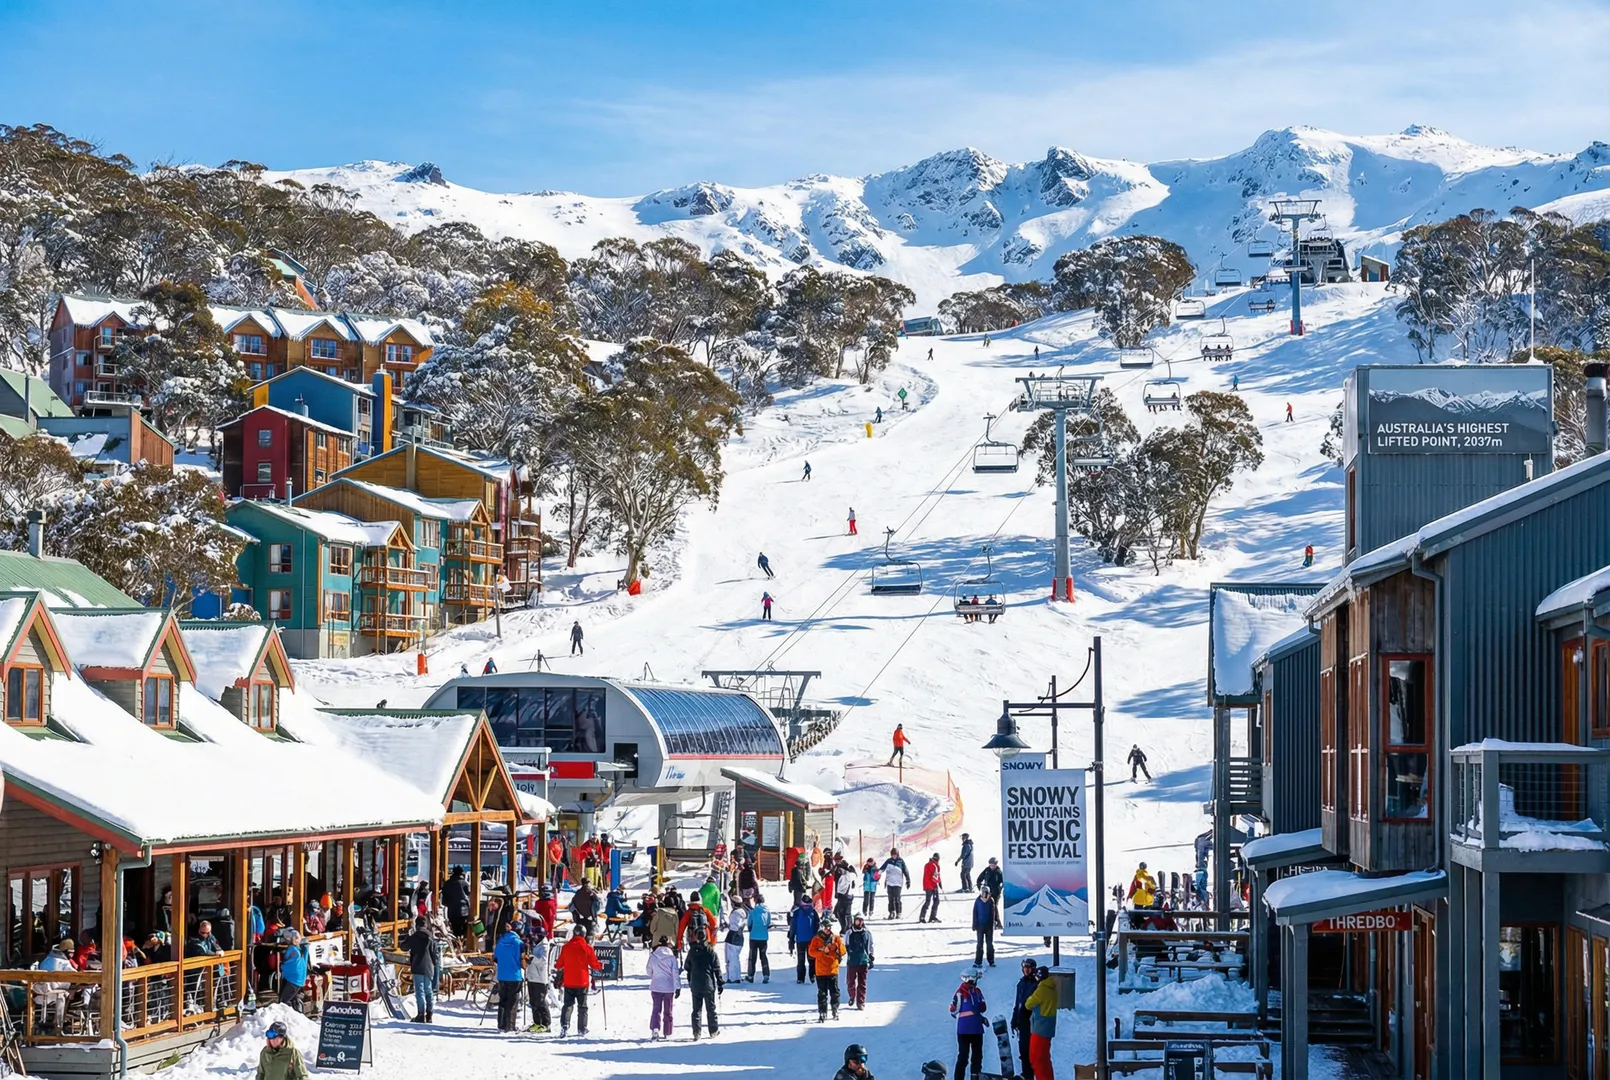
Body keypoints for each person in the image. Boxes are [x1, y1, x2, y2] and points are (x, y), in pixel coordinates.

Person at [554, 927, 602, 1037]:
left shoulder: (566, 947)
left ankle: (564, 1025)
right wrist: (600, 966)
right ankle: (582, 1028)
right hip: (582, 982)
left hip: (569, 981)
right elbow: (594, 964)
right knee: (582, 1006)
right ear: (584, 934)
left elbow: (559, 964)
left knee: (568, 1005)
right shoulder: (587, 948)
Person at [683, 929, 724, 1040]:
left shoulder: (692, 951)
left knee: (696, 1009)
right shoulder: (711, 951)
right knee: (711, 1008)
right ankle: (713, 1030)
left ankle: (696, 1032)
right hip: (708, 984)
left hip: (695, 984)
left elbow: (687, 966)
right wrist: (720, 982)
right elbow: (717, 968)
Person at [950, 968, 988, 1080]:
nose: (977, 981)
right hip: (965, 1030)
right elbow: (953, 1010)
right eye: (976, 979)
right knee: (964, 1056)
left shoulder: (977, 991)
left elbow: (983, 1007)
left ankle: (975, 1077)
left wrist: (980, 1015)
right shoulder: (960, 992)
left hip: (975, 1029)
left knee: (977, 1056)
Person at [1024, 966, 1059, 1080]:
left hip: (1040, 1028)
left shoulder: (1042, 989)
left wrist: (1031, 996)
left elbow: (1028, 1004)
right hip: (1048, 1027)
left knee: (1036, 1059)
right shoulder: (1051, 987)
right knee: (1045, 1059)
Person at [401, 916, 438, 1022]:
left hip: (417, 966)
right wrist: (435, 964)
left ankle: (421, 1015)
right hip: (429, 967)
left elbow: (403, 947)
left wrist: (407, 937)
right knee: (428, 991)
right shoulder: (431, 937)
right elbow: (435, 955)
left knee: (419, 991)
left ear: (416, 925)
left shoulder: (414, 937)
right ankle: (429, 1014)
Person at [808, 921, 846, 1022]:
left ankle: (835, 1009)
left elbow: (843, 951)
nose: (827, 929)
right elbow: (811, 952)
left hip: (833, 970)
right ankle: (822, 1012)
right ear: (822, 928)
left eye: (829, 927)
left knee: (834, 992)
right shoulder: (816, 939)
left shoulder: (836, 938)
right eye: (825, 927)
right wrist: (822, 952)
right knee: (822, 993)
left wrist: (836, 947)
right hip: (820, 971)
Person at [1011, 958, 1040, 1080]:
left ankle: (1030, 1075)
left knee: (1030, 1052)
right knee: (1023, 1051)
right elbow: (1018, 1003)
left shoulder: (1036, 984)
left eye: (1028, 968)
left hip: (1031, 1022)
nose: (1026, 970)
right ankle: (1026, 1075)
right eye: (1024, 967)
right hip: (1022, 1022)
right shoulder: (1021, 983)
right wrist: (1014, 1019)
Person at [493, 923, 524, 1032]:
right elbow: (522, 960)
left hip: (502, 975)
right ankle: (510, 1026)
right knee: (512, 1001)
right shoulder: (518, 943)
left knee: (503, 1000)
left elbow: (495, 958)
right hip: (514, 976)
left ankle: (501, 1024)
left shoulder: (501, 940)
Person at [646, 934, 679, 1040]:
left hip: (656, 986)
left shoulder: (653, 956)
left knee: (656, 1009)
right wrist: (677, 987)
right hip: (669, 988)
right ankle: (667, 1031)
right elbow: (675, 974)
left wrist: (654, 976)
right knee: (668, 1010)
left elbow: (648, 970)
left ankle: (655, 1029)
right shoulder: (672, 958)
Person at [523, 923, 552, 1032]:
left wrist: (532, 958)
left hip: (540, 978)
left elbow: (543, 961)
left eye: (535, 935)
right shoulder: (535, 944)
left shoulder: (544, 946)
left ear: (540, 936)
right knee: (533, 1002)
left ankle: (546, 1024)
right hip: (532, 976)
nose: (533, 937)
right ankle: (537, 1022)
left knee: (541, 1002)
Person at [844, 915, 874, 1010]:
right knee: (850, 981)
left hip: (863, 961)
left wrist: (871, 957)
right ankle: (852, 995)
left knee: (862, 983)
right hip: (852, 961)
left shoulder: (867, 933)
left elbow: (870, 945)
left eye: (861, 921)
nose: (859, 923)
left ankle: (861, 1001)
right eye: (857, 921)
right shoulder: (849, 932)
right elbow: (845, 945)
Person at [788, 895, 819, 984]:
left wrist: (791, 939)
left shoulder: (798, 912)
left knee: (803, 960)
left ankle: (802, 978)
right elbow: (817, 926)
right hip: (809, 940)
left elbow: (793, 927)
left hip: (803, 940)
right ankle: (810, 976)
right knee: (810, 959)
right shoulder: (812, 912)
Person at [278, 931, 309, 1013]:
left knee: (283, 1001)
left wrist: (281, 964)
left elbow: (287, 961)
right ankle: (297, 1014)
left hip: (292, 978)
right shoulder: (302, 949)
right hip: (298, 978)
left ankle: (289, 1016)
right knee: (293, 999)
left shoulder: (292, 950)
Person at [746, 897, 771, 982]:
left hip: (753, 936)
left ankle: (750, 976)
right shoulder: (767, 912)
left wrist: (751, 929)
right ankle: (766, 975)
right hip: (763, 937)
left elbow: (749, 924)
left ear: (755, 901)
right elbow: (768, 923)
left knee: (752, 957)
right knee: (763, 956)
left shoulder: (752, 911)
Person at [443, 867, 471, 942]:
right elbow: (468, 894)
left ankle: (457, 942)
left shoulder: (447, 883)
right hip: (464, 910)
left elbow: (444, 897)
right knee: (463, 929)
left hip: (451, 910)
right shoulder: (464, 883)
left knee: (455, 928)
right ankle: (461, 942)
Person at [880, 849, 909, 919]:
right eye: (893, 855)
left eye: (895, 855)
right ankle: (892, 912)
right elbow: (882, 868)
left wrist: (908, 880)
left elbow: (905, 871)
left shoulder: (901, 861)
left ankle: (899, 912)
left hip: (898, 883)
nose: (894, 856)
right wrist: (877, 873)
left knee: (897, 898)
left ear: (897, 854)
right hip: (889, 882)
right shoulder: (888, 861)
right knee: (890, 899)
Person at [972, 887, 997, 968]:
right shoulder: (978, 901)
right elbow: (975, 912)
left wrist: (994, 923)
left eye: (985, 892)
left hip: (989, 926)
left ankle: (991, 960)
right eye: (983, 892)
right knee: (980, 944)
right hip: (980, 926)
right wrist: (974, 924)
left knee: (989, 944)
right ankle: (978, 961)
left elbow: (993, 913)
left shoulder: (991, 901)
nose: (984, 894)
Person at [723, 903, 745, 984]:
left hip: (732, 938)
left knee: (731, 958)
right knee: (736, 958)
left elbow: (735, 926)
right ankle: (737, 976)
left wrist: (728, 925)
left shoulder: (735, 913)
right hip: (739, 937)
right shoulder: (743, 912)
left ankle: (732, 978)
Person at [920, 853, 943, 923]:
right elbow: (934, 877)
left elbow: (936, 875)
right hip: (931, 885)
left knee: (930, 901)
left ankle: (923, 916)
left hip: (928, 885)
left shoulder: (930, 864)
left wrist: (939, 881)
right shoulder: (933, 865)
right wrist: (937, 884)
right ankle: (930, 917)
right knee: (934, 901)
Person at [833, 861, 855, 930]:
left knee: (844, 914)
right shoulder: (848, 873)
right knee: (840, 913)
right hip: (845, 895)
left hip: (844, 895)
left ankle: (847, 929)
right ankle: (845, 928)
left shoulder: (845, 874)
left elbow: (843, 886)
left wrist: (840, 894)